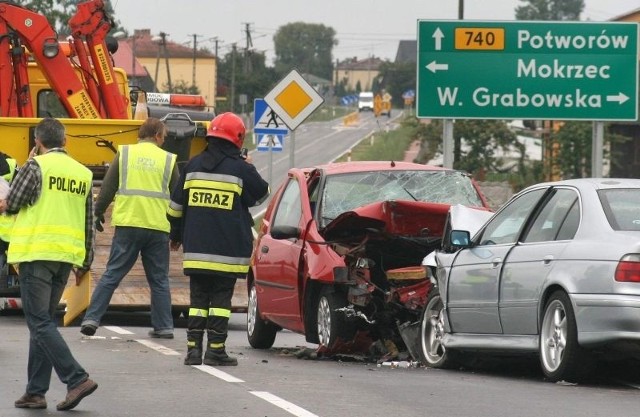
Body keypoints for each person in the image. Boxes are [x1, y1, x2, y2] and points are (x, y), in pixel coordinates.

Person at [0, 117, 97, 411]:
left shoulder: (36, 166)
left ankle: (76, 378)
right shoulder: (82, 173)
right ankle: (35, 391)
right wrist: (85, 261)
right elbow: (88, 221)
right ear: (65, 141)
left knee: (38, 321)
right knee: (43, 321)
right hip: (66, 258)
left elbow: (13, 202)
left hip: (36, 253)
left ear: (38, 143)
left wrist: (24, 169)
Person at [167, 112, 269, 366]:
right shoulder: (240, 169)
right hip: (227, 252)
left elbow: (174, 209)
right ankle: (215, 351)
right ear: (237, 139)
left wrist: (176, 236)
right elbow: (261, 194)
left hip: (196, 249)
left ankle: (193, 352)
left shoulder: (191, 166)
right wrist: (248, 165)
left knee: (198, 301)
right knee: (220, 302)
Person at [80, 117, 178, 339]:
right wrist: (178, 230)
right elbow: (177, 198)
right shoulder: (169, 160)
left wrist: (97, 212)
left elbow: (107, 187)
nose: (165, 140)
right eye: (164, 136)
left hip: (128, 224)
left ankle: (92, 318)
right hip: (157, 226)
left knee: (112, 274)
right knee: (159, 279)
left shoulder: (124, 154)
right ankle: (164, 327)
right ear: (157, 136)